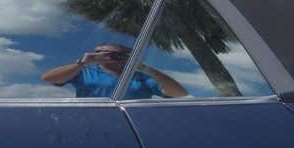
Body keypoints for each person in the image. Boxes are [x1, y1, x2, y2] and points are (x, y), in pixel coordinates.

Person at [41, 43, 187, 99]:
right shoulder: (84, 72)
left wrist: (147, 68)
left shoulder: (141, 78)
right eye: (100, 53)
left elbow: (179, 94)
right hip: (88, 123)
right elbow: (49, 78)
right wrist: (83, 63)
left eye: (114, 55)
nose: (105, 57)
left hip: (130, 126)